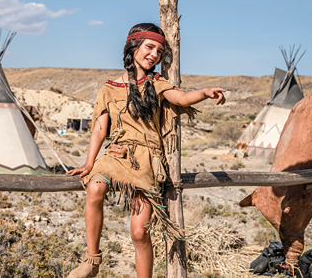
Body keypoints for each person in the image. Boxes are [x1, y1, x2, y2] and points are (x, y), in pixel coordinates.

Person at [66, 23, 226, 278]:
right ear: (133, 47)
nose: (154, 55)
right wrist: (88, 163)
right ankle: (92, 260)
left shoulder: (158, 83)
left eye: (159, 52)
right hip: (116, 153)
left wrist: (205, 93)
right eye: (150, 47)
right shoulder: (108, 88)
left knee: (139, 231)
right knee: (95, 187)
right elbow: (99, 128)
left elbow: (182, 99)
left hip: (147, 159)